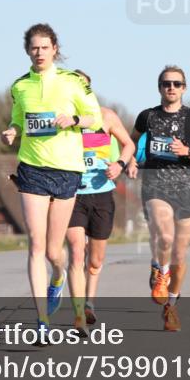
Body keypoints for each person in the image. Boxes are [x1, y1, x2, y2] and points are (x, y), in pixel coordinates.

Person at [1, 24, 102, 339]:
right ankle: (42, 321)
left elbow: (95, 118)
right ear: (27, 50)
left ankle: (57, 276)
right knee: (35, 243)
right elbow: (18, 117)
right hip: (32, 169)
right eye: (34, 48)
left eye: (45, 47)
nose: (39, 52)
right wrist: (13, 131)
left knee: (53, 252)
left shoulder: (72, 82)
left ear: (55, 48)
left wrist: (73, 120)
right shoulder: (20, 86)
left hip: (67, 171)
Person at [128, 65, 190, 331]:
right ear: (160, 87)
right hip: (155, 185)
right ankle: (159, 270)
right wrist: (130, 160)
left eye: (177, 84)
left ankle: (172, 306)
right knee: (164, 236)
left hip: (186, 188)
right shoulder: (147, 116)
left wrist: (187, 150)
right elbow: (132, 144)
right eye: (167, 83)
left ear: (184, 88)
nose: (172, 88)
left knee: (180, 253)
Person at [66, 70, 136, 329]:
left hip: (102, 193)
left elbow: (128, 144)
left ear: (89, 90)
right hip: (72, 194)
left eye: (81, 87)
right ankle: (78, 314)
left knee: (94, 261)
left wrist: (119, 164)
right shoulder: (63, 120)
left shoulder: (106, 116)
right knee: (76, 253)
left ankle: (89, 303)